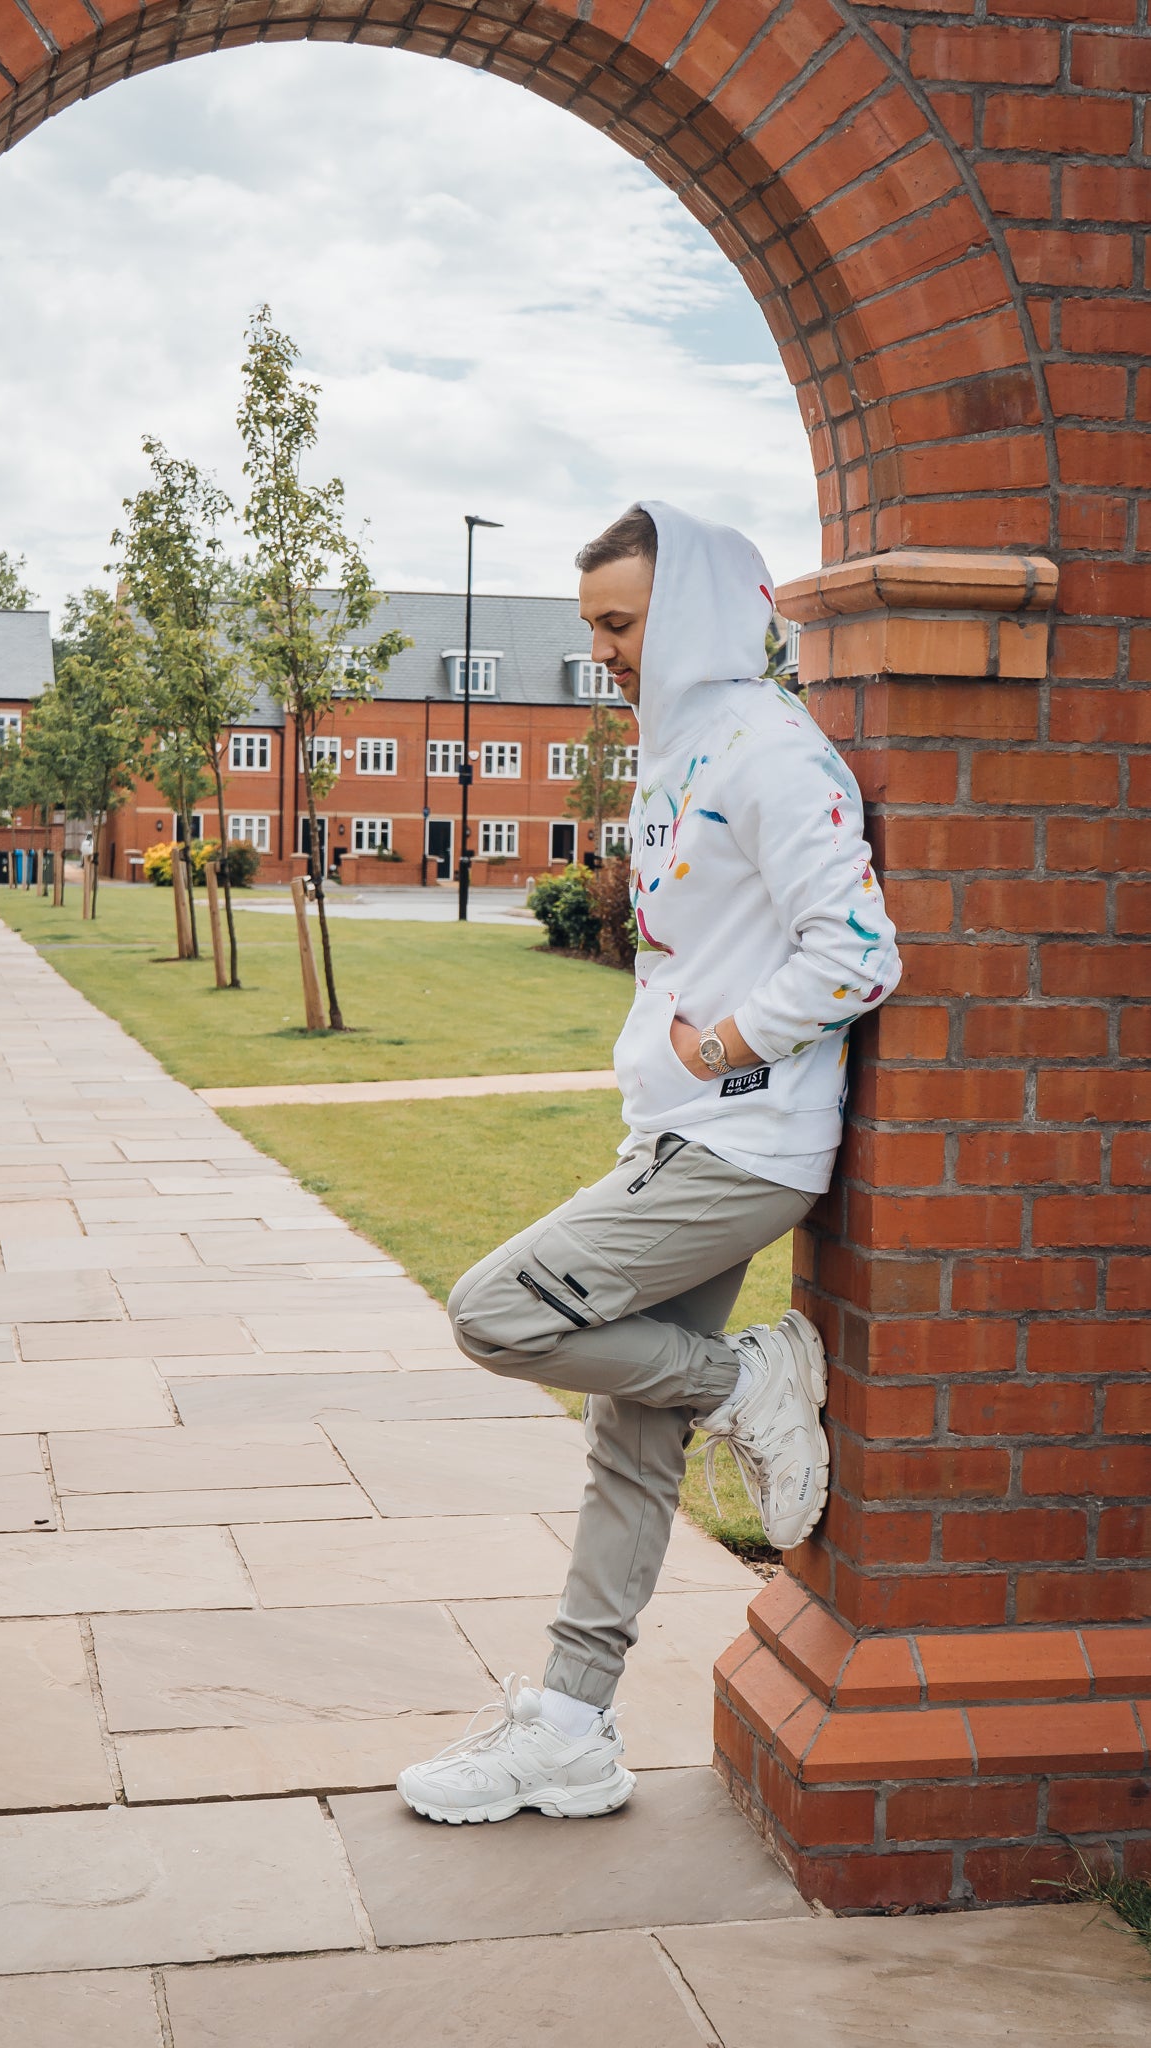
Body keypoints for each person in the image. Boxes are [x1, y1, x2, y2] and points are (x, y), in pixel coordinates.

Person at [396, 501, 902, 1826]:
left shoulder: (769, 751)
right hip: (686, 1134)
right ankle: (571, 1731)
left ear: (686, 614)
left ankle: (747, 1380)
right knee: (628, 1439)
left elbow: (856, 953)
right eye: (593, 627)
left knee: (497, 1313)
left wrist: (721, 1047)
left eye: (619, 625)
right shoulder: (681, 747)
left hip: (743, 1143)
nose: (602, 652)